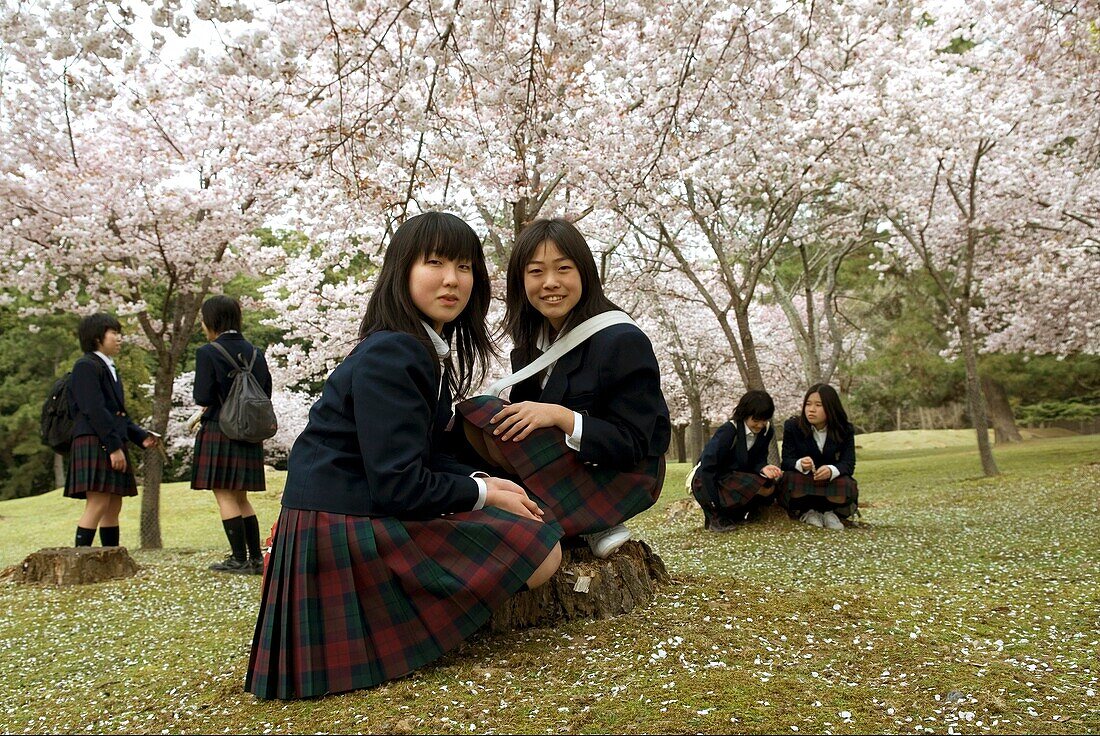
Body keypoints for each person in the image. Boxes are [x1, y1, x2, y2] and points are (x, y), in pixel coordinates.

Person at [246, 212, 562, 700]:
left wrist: (486, 482)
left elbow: (425, 455)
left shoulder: (412, 346)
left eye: (464, 265)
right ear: (402, 270)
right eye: (434, 262)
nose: (452, 279)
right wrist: (484, 492)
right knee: (540, 550)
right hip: (343, 523)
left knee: (533, 540)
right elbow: (400, 483)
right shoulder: (396, 352)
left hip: (337, 514)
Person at [456, 217, 670, 558]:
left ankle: (596, 518)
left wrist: (562, 417)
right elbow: (522, 430)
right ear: (520, 281)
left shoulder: (621, 340)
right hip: (567, 470)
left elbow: (633, 444)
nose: (550, 283)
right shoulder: (528, 346)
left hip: (625, 474)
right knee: (478, 417)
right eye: (536, 272)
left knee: (488, 416)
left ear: (584, 272)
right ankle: (564, 517)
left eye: (563, 269)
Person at [191, 295, 273, 575]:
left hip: (220, 429)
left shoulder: (208, 352)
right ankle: (255, 558)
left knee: (225, 495)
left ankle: (239, 559)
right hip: (248, 431)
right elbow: (265, 393)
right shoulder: (255, 353)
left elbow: (202, 395)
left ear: (211, 320)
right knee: (241, 497)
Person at [65, 312, 158, 547]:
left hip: (106, 438)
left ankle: (111, 557)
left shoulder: (108, 367)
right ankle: (80, 559)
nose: (119, 338)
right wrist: (113, 447)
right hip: (95, 439)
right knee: (97, 502)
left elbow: (117, 413)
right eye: (114, 333)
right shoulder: (86, 365)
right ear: (98, 337)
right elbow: (94, 409)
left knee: (113, 504)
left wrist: (140, 437)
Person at [690, 389, 783, 532]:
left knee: (770, 485)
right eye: (756, 420)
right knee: (754, 484)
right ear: (745, 415)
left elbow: (759, 458)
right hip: (709, 479)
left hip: (736, 477)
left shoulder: (766, 431)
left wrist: (763, 468)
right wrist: (713, 506)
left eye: (764, 420)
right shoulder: (729, 431)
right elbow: (708, 468)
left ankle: (742, 514)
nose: (760, 425)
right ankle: (717, 517)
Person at [779, 383, 858, 530]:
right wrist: (800, 464)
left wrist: (831, 470)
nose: (811, 409)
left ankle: (829, 512)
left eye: (818, 405)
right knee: (791, 480)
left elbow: (848, 463)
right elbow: (787, 461)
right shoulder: (793, 426)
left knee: (846, 485)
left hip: (830, 480)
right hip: (804, 477)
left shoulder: (844, 429)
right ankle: (808, 512)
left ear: (830, 407)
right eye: (808, 404)